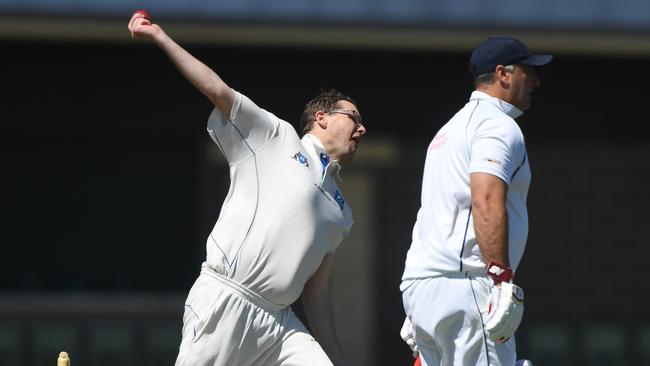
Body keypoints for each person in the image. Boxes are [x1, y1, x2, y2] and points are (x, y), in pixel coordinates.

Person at [128, 10, 366, 366]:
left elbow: (316, 295)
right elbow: (218, 90)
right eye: (354, 119)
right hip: (225, 300)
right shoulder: (276, 137)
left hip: (278, 325)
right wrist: (159, 36)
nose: (361, 130)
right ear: (322, 118)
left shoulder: (342, 211)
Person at [399, 36, 552, 366]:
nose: (536, 81)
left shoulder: (448, 130)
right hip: (466, 283)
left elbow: (429, 213)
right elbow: (485, 198)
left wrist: (421, 303)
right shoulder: (497, 126)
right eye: (529, 71)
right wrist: (500, 279)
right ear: (504, 74)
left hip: (423, 286)